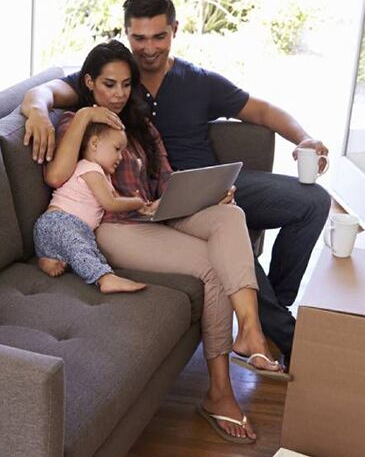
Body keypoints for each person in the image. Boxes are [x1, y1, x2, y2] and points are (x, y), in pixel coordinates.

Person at [22, 0, 332, 366]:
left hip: (209, 186)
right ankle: (286, 334)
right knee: (224, 240)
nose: (149, 48)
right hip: (162, 200)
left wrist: (304, 139)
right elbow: (44, 90)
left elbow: (263, 111)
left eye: (159, 36)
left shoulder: (196, 81)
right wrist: (36, 110)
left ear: (174, 31)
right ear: (126, 34)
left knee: (313, 201)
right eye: (139, 38)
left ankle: (274, 310)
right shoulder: (117, 79)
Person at [42, 40, 288, 444]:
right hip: (115, 226)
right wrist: (87, 113)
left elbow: (166, 180)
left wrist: (205, 194)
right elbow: (56, 176)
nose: (118, 94)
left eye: (125, 84)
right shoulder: (77, 122)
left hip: (158, 211)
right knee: (210, 265)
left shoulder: (141, 125)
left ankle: (251, 331)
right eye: (108, 85)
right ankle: (220, 393)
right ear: (89, 83)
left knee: (231, 214)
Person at [34, 121, 149, 293]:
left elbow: (115, 199)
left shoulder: (101, 176)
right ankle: (105, 278)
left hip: (53, 231)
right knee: (81, 247)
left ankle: (47, 258)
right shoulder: (91, 169)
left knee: (89, 250)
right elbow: (111, 203)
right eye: (117, 149)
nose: (121, 157)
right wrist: (137, 202)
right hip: (60, 222)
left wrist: (142, 208)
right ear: (94, 143)